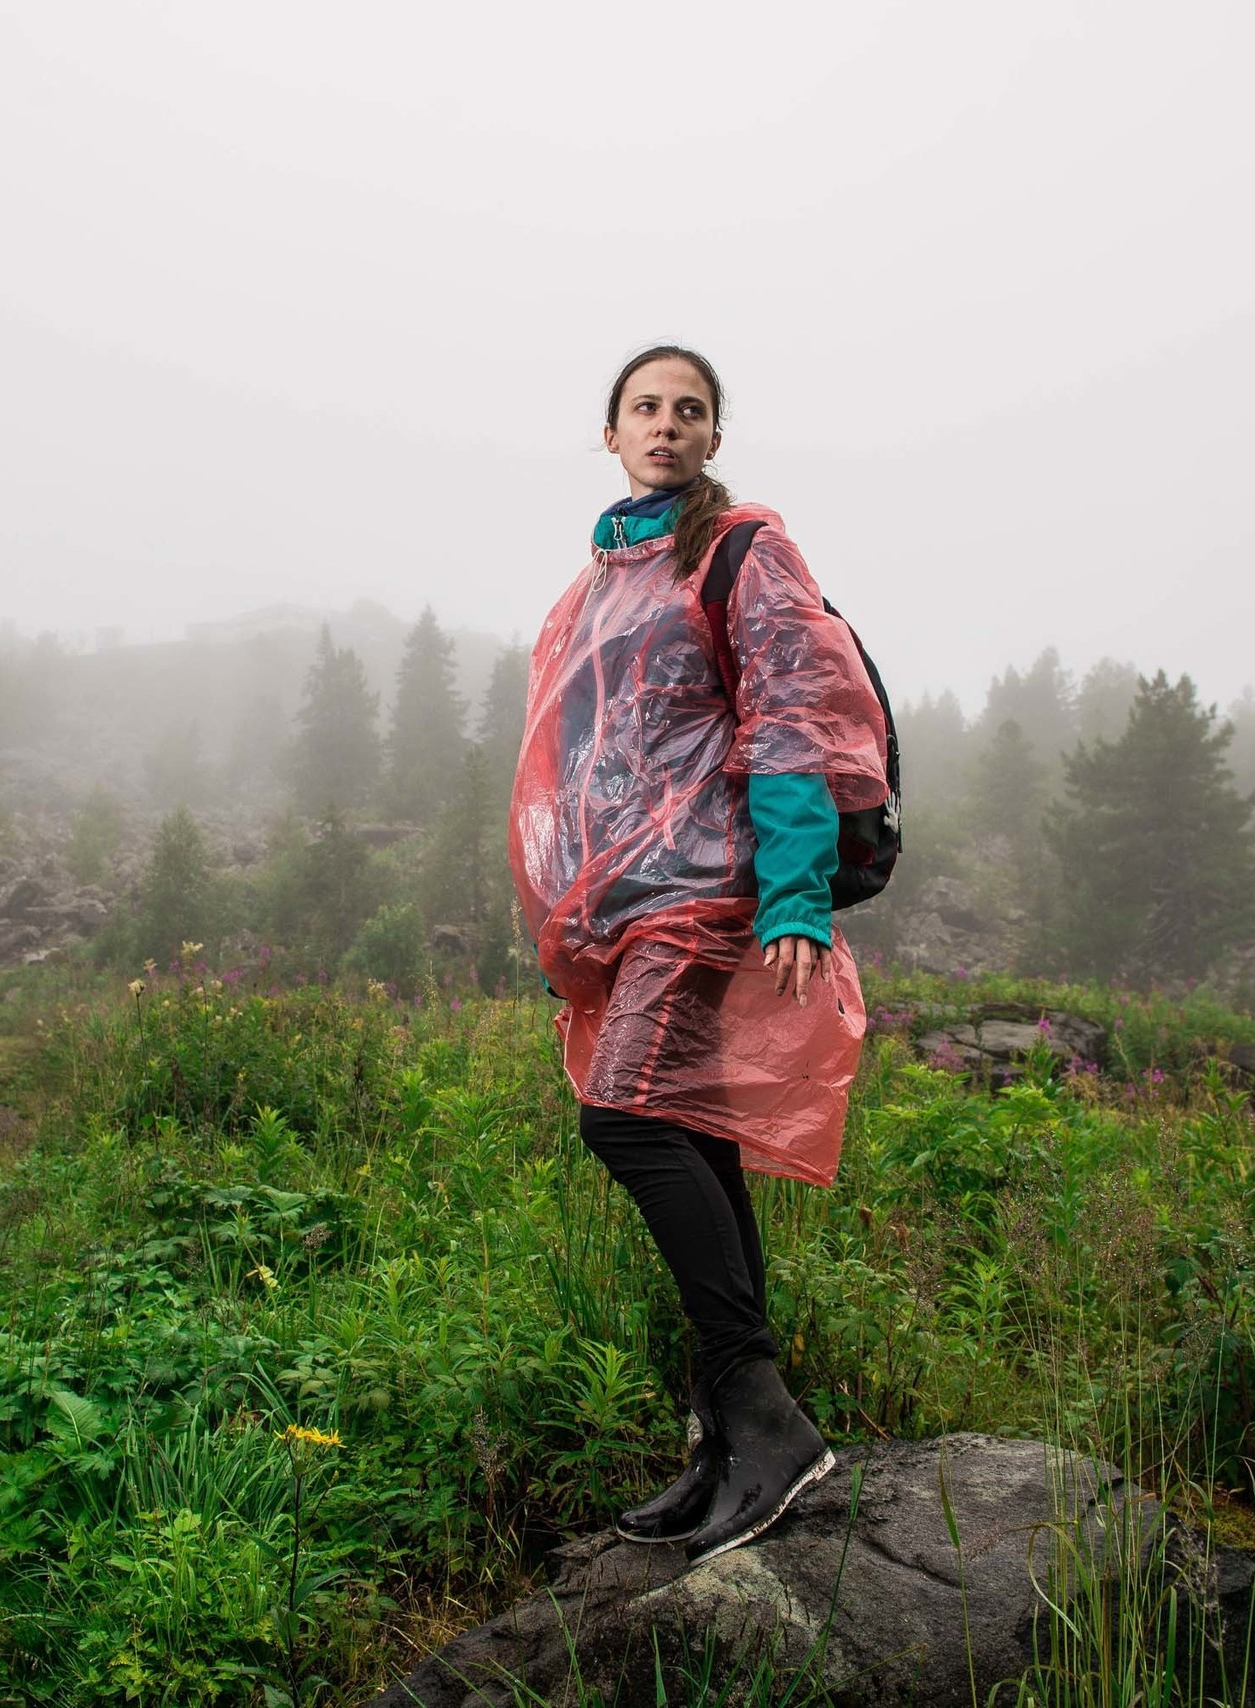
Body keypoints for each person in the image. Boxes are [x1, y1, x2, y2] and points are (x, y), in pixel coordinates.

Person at [507, 345, 891, 1564]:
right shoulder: (596, 586)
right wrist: (572, 913)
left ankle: (763, 1418)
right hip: (631, 909)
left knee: (622, 1115)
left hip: (713, 891)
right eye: (645, 408)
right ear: (610, 433)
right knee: (693, 1126)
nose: (665, 425)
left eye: (689, 411)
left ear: (713, 439)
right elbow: (585, 758)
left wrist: (790, 895)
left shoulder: (740, 550)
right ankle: (728, 1437)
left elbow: (791, 711)